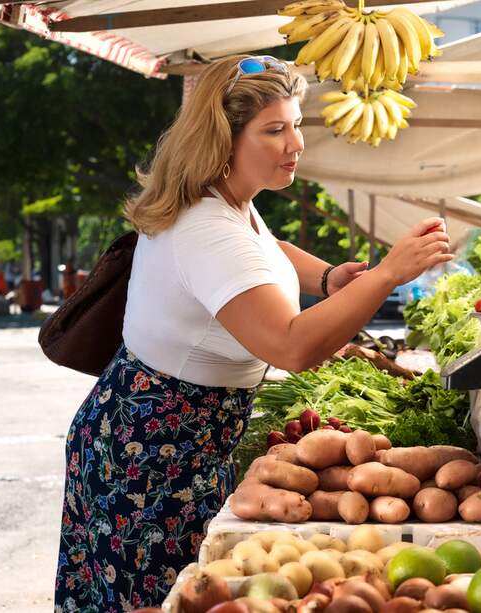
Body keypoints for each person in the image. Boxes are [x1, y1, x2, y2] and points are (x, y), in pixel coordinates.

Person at [54, 55, 452, 612]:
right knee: (157, 599)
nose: (297, 143)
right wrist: (388, 275)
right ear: (222, 141)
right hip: (148, 453)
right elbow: (291, 346)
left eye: (296, 125)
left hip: (175, 435)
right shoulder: (208, 230)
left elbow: (267, 254)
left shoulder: (230, 203)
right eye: (274, 130)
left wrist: (331, 277)